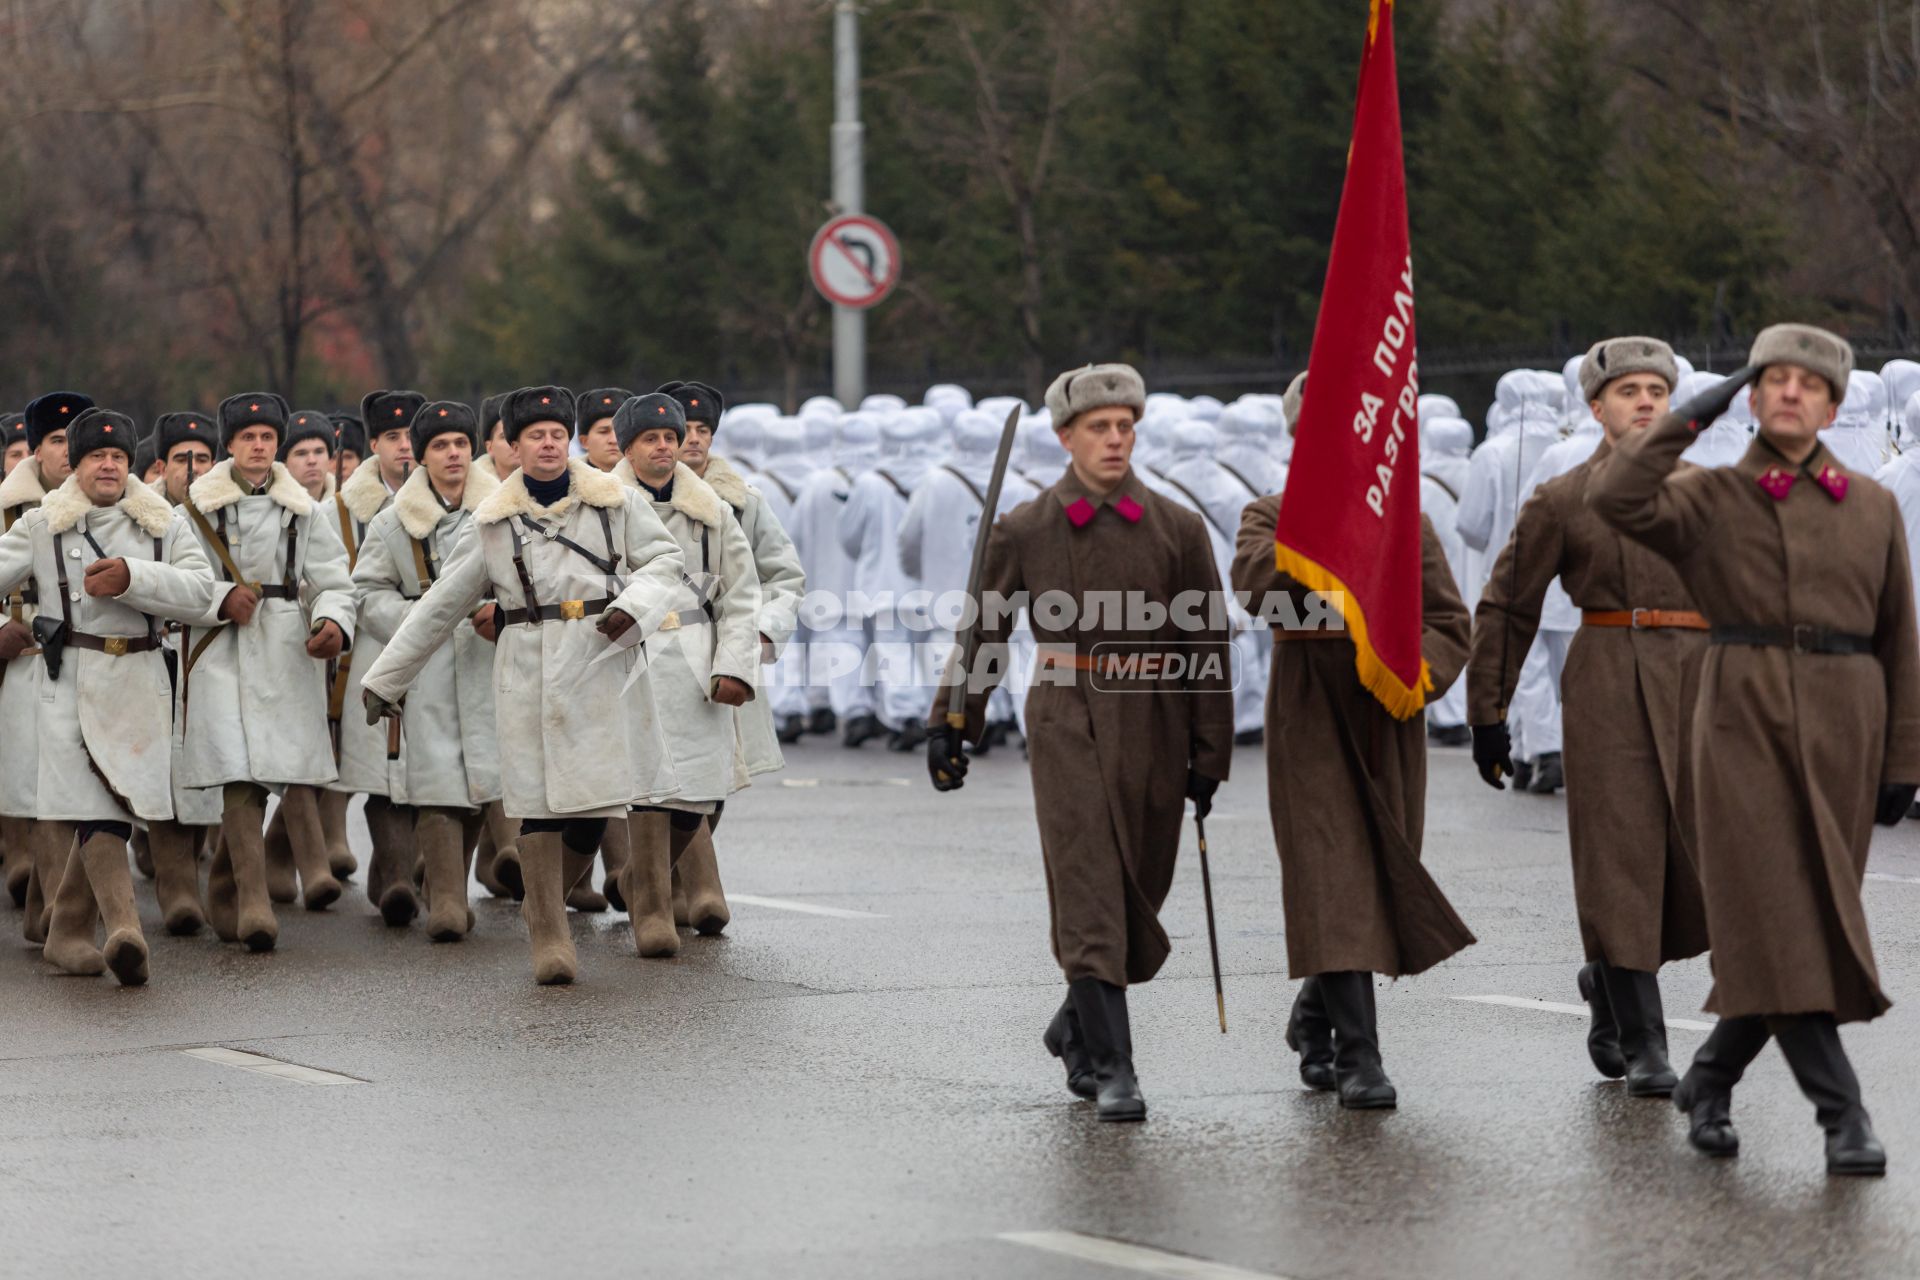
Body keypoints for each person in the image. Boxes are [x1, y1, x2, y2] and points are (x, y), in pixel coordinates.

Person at [1591, 324, 1917, 1176]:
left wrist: (1904, 759)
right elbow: (1617, 499)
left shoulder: (1875, 506)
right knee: (1775, 910)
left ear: (1834, 403)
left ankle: (1710, 1076)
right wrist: (1693, 410)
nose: (1789, 392)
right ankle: (1842, 1115)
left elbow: (1901, 640)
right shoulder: (1712, 497)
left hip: (1847, 722)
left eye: (1808, 383)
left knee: (1800, 919)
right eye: (1771, 379)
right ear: (1751, 394)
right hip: (1742, 715)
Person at [927, 363, 1233, 1122]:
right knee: (1090, 888)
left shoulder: (1179, 528)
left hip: (1157, 716)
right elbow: (985, 629)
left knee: (1139, 889)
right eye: (1099, 428)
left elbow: (1209, 642)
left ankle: (1075, 1024)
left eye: (1125, 426)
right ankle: (1114, 1065)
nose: (1115, 439)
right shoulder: (1026, 528)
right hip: (1069, 715)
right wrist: (952, 719)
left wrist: (1210, 748)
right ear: (1066, 438)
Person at [360, 385, 687, 986]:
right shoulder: (492, 522)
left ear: (571, 441)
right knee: (538, 808)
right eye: (534, 435)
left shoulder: (616, 501)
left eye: (557, 434)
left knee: (596, 809)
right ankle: (549, 937)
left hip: (603, 663)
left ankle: (545, 904)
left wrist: (636, 607)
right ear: (512, 446)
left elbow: (668, 564)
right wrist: (386, 680)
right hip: (527, 672)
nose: (548, 444)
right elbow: (441, 605)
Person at [1467, 337, 1708, 1097]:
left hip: (1698, 682)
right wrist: (1489, 713)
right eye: (1627, 390)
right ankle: (1644, 1041)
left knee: (1694, 861)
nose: (1644, 402)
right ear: (1596, 407)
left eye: (1656, 391)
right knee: (1620, 857)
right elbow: (1509, 603)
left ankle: (1607, 977)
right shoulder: (1563, 496)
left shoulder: (1711, 492)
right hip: (1607, 679)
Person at [1231, 427, 1476, 1111]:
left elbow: (1450, 622)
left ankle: (1313, 1016)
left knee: (1374, 876)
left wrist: (1412, 676)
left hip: (1385, 712)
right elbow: (1256, 590)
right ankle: (1359, 1056)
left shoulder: (1411, 520)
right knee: (1331, 873)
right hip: (1308, 706)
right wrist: (1321, 535)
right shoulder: (1270, 515)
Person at [0, 408, 215, 982]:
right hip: (68, 678)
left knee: (118, 804)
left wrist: (134, 578)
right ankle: (125, 928)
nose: (109, 466)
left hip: (140, 679)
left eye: (118, 456)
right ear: (76, 463)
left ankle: (67, 928)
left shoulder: (161, 521)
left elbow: (200, 591)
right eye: (97, 455)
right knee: (98, 807)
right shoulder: (43, 523)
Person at [178, 392, 356, 952]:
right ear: (227, 445)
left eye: (267, 437)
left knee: (271, 769)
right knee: (237, 769)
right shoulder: (193, 510)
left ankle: (227, 888)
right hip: (220, 647)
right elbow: (176, 582)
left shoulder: (306, 510)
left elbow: (332, 579)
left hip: (284, 646)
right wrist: (218, 599)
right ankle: (253, 901)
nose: (259, 446)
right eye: (247, 437)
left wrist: (331, 621)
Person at [610, 392, 760, 953]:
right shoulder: (605, 505)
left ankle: (634, 880)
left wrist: (736, 665)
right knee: (646, 789)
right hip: (633, 654)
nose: (666, 447)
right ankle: (650, 908)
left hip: (698, 656)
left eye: (671, 438)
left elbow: (742, 595)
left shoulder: (712, 510)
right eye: (652, 439)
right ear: (628, 448)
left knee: (700, 791)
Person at [351, 401, 500, 941]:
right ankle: (447, 906)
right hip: (428, 663)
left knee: (486, 778)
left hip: (490, 657)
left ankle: (444, 883)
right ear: (423, 456)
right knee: (437, 778)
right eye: (440, 445)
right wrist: (420, 620)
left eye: (461, 443)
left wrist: (500, 614)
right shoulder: (394, 520)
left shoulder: (502, 509)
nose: (454, 453)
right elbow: (366, 594)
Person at [670, 380, 803, 927]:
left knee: (720, 773)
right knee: (668, 776)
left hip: (727, 646)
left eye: (704, 431)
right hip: (654, 649)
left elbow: (784, 575)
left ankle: (659, 878)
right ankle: (674, 886)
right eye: (686, 431)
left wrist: (764, 633)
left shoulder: (744, 501)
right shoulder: (624, 498)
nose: (695, 440)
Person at [324, 391, 423, 922]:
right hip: (371, 647)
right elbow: (335, 579)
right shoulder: (341, 507)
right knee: (380, 774)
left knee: (426, 770)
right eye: (393, 438)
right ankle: (399, 877)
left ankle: (399, 876)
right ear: (374, 445)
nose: (404, 449)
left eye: (411, 438)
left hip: (438, 655)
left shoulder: (460, 500)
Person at [0, 391, 90, 941]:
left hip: (91, 662)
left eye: (74, 439)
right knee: (37, 788)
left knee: (72, 790)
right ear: (34, 450)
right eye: (56, 440)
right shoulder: (6, 509)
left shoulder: (108, 504)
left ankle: (49, 911)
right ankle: (55, 912)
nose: (66, 450)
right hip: (24, 663)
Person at [842, 408, 946, 751]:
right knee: (927, 653)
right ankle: (934, 714)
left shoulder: (870, 483)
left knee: (893, 653)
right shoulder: (937, 478)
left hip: (883, 582)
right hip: (927, 582)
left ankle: (906, 716)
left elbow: (850, 537)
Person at [577, 388, 632, 474]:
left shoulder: (653, 482)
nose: (613, 440)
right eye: (603, 432)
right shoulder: (566, 484)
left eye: (620, 431)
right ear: (584, 441)